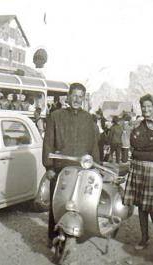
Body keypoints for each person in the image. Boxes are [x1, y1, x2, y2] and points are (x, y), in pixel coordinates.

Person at [42, 83, 100, 246]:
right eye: (74, 95)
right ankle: (52, 236)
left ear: (83, 99)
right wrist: (49, 167)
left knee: (78, 203)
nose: (77, 99)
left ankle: (74, 233)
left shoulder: (88, 118)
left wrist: (96, 166)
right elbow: (48, 142)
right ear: (68, 96)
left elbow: (93, 144)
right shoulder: (56, 116)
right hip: (60, 169)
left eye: (80, 96)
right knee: (57, 203)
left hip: (82, 169)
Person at [122, 93, 153, 252]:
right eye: (144, 107)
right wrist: (148, 145)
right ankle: (144, 238)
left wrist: (141, 148)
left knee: (152, 207)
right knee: (141, 206)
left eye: (149, 106)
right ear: (140, 108)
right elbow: (133, 142)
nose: (146, 109)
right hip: (138, 166)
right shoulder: (139, 124)